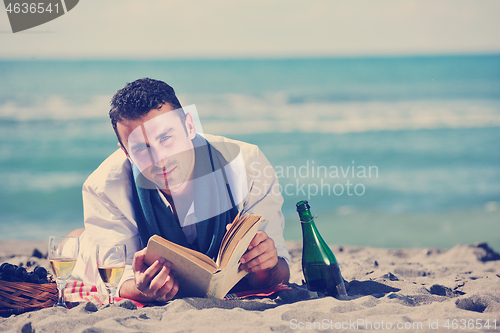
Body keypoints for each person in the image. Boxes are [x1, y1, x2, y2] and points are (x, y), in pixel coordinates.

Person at [72, 78, 290, 302]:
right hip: (96, 249)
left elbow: (280, 271)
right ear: (125, 152)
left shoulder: (248, 165)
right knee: (80, 250)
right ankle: (79, 238)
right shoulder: (103, 186)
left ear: (189, 126)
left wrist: (266, 262)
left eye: (166, 138)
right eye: (140, 148)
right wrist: (141, 289)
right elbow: (114, 279)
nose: (160, 160)